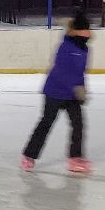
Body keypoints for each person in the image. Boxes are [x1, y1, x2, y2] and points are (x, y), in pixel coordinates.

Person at [21, 14, 93, 174]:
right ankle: (28, 156)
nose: (88, 33)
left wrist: (82, 87)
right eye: (85, 29)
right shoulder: (65, 47)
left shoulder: (85, 49)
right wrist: (76, 88)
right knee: (46, 123)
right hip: (55, 91)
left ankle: (75, 158)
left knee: (78, 124)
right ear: (76, 31)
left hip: (72, 94)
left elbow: (80, 72)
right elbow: (61, 72)